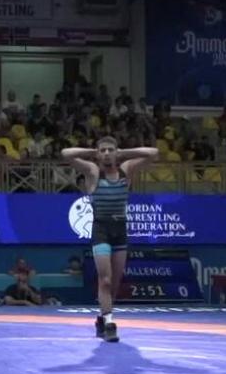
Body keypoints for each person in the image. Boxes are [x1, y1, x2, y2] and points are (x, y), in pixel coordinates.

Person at [62, 136, 158, 343]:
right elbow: (66, 154)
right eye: (103, 150)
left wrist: (124, 153)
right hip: (101, 230)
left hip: (120, 230)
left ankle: (101, 318)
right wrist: (92, 152)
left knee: (114, 284)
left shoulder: (126, 169)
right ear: (98, 154)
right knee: (104, 279)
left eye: (110, 150)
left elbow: (153, 153)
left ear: (117, 152)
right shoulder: (93, 171)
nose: (106, 154)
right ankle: (110, 324)